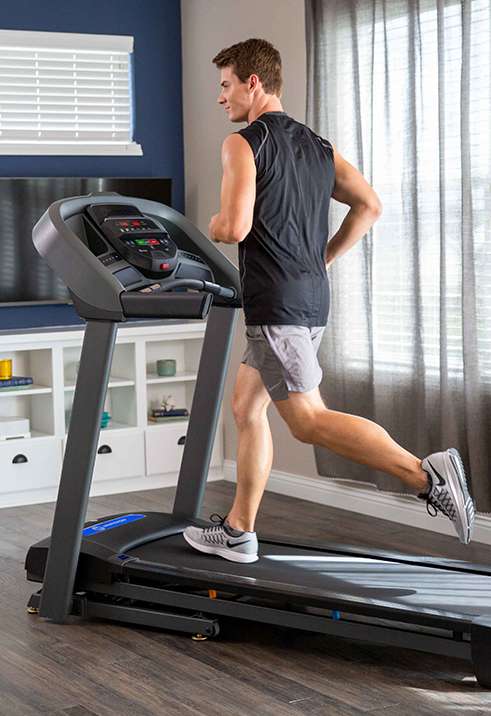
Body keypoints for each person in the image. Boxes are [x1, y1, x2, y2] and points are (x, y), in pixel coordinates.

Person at [183, 38, 475, 563]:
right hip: (311, 298)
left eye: (226, 85)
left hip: (276, 305)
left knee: (308, 420)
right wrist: (323, 259)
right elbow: (370, 205)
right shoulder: (319, 146)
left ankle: (425, 476)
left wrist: (211, 223)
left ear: (253, 83)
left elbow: (233, 227)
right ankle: (239, 530)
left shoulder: (243, 144)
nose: (221, 97)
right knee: (246, 406)